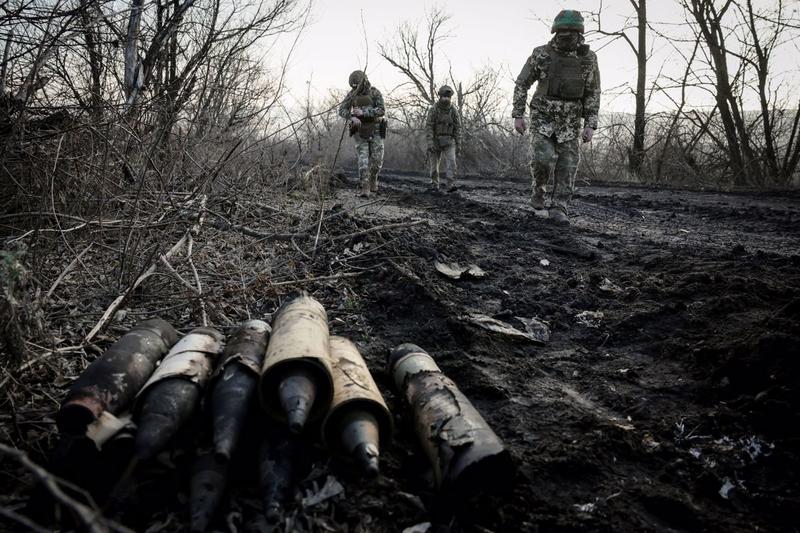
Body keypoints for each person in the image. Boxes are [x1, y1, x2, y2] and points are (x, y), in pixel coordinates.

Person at [512, 9, 601, 225]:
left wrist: (590, 124)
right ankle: (539, 193)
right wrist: (518, 114)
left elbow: (593, 92)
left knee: (568, 165)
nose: (566, 35)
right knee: (542, 159)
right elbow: (522, 83)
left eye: (571, 31)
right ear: (555, 31)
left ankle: (560, 207)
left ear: (579, 33)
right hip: (543, 118)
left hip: (570, 122)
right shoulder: (541, 54)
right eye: (562, 31)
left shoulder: (588, 59)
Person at [338, 70, 386, 197]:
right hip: (359, 129)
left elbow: (381, 110)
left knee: (377, 161)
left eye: (357, 85)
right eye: (353, 86)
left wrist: (364, 113)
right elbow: (341, 109)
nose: (355, 88)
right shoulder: (352, 95)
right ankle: (364, 186)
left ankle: (373, 179)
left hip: (375, 128)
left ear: (363, 82)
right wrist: (351, 117)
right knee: (363, 161)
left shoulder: (375, 93)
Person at [425, 85, 462, 192]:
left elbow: (458, 128)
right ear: (440, 97)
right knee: (434, 165)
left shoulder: (453, 111)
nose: (446, 99)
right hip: (435, 140)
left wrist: (459, 144)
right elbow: (429, 127)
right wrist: (430, 142)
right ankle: (434, 183)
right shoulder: (433, 109)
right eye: (444, 96)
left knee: (452, 163)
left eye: (448, 97)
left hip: (449, 141)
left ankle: (450, 184)